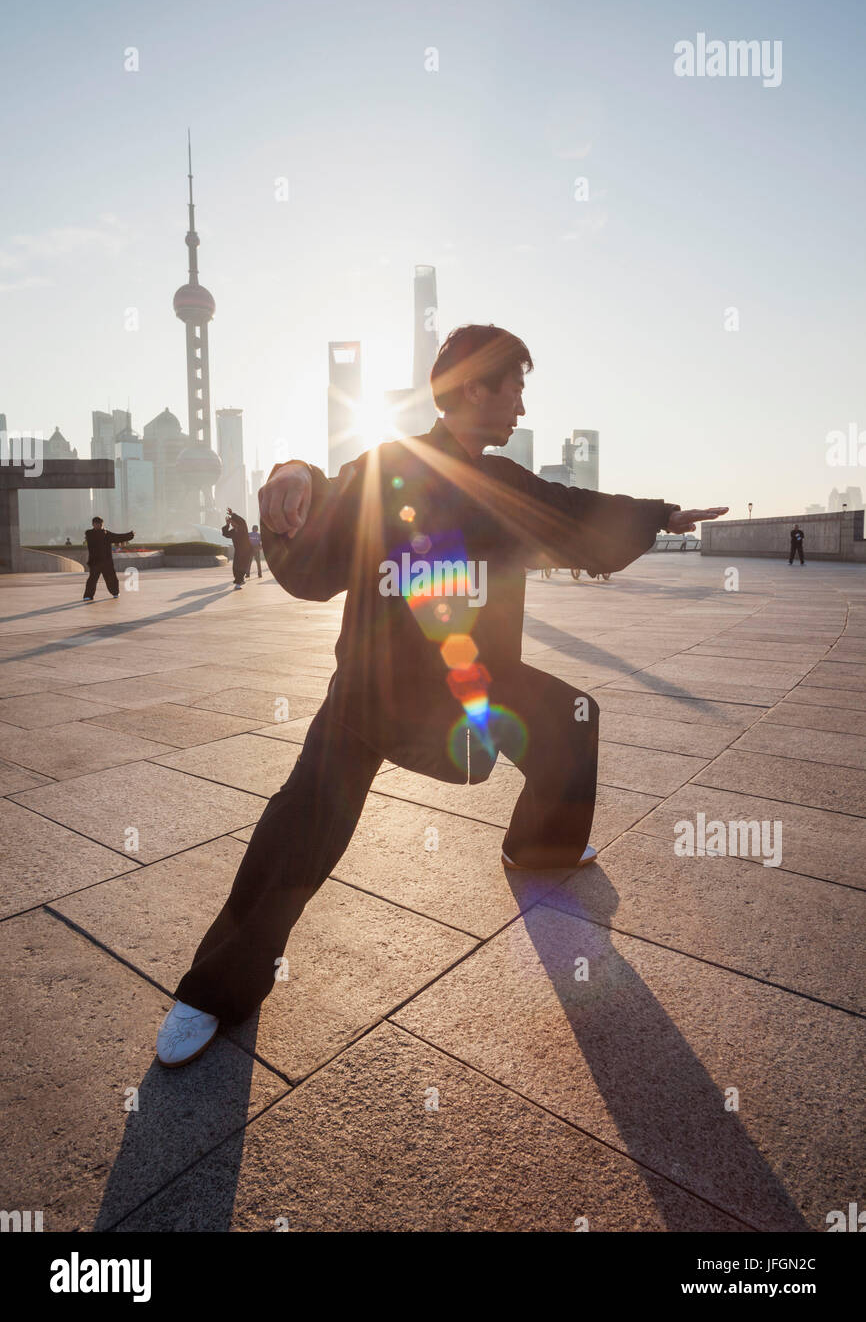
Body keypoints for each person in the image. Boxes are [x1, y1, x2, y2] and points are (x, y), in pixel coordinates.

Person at [156, 323, 728, 1066]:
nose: (521, 405)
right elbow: (320, 516)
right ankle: (213, 991)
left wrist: (657, 515)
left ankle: (540, 847)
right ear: (472, 387)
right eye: (513, 387)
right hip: (375, 688)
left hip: (477, 683)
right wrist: (292, 475)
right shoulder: (386, 468)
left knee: (571, 720)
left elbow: (576, 510)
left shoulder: (505, 484)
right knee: (303, 822)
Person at [82, 516, 134, 601]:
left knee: (111, 578)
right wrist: (129, 535)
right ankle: (88, 595)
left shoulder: (105, 533)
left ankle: (115, 592)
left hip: (105, 561)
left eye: (100, 524)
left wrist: (129, 535)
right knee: (93, 579)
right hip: (96, 561)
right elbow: (115, 537)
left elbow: (117, 537)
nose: (99, 526)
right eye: (97, 524)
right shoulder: (92, 533)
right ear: (93, 524)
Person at [221, 508, 253, 588]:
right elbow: (225, 534)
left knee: (242, 566)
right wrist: (227, 525)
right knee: (236, 567)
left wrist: (232, 514)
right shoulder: (233, 531)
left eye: (232, 522)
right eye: (231, 522)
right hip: (238, 551)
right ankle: (240, 580)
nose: (232, 523)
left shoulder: (243, 528)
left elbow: (242, 521)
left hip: (246, 551)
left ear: (237, 522)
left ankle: (238, 582)